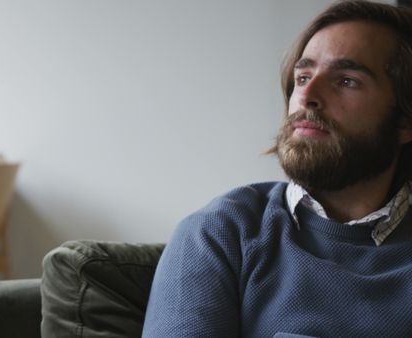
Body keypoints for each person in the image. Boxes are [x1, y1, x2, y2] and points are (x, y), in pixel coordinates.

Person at [142, 1, 412, 337]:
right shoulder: (218, 234)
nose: (307, 96)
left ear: (404, 120)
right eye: (302, 76)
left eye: (346, 81)